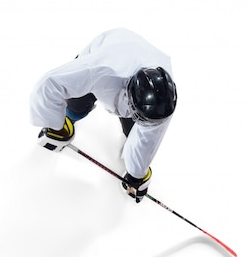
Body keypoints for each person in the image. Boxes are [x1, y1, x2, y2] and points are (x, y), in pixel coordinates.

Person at [29, 28, 177, 203]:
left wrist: (137, 175)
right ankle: (66, 125)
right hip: (108, 54)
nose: (143, 122)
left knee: (134, 134)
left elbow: (148, 140)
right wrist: (55, 124)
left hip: (136, 61)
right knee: (77, 107)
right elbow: (48, 85)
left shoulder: (162, 103)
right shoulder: (98, 68)